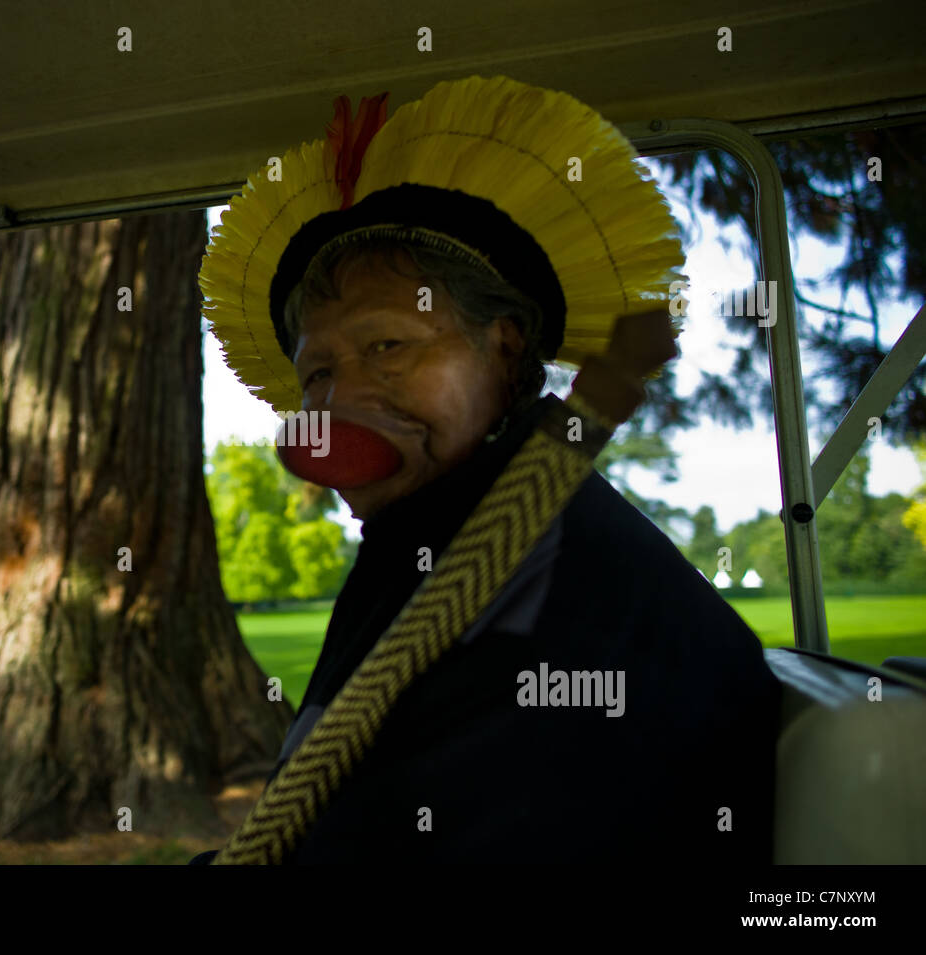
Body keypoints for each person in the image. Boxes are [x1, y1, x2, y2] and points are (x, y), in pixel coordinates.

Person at [190, 74, 782, 863]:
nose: (342, 398)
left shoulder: (544, 570)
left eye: (388, 346)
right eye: (317, 373)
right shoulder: (428, 540)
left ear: (502, 349)